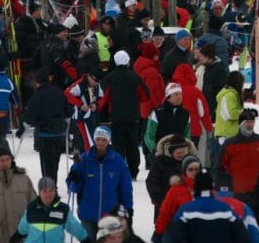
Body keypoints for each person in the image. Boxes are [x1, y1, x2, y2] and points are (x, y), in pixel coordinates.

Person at [67, 126, 133, 239]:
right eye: (98, 139)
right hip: (88, 214)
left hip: (111, 215)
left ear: (108, 141)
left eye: (104, 140)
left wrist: (128, 209)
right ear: (94, 139)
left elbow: (125, 188)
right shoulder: (84, 159)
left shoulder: (118, 161)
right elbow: (74, 188)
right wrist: (74, 173)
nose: (100, 142)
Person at [162, 170, 251, 243]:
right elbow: (242, 236)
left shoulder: (186, 209)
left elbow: (172, 237)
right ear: (212, 186)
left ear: (196, 187)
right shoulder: (226, 209)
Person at [218, 108, 259, 222]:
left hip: (257, 191)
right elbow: (219, 166)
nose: (250, 125)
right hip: (237, 191)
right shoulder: (229, 144)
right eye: (247, 122)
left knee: (256, 222)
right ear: (240, 124)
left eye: (252, 122)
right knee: (238, 222)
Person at [101, 50, 150, 179]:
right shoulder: (135, 77)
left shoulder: (109, 78)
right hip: (133, 117)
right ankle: (133, 171)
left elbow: (104, 96)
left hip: (116, 117)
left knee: (118, 145)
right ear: (128, 61)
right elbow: (145, 96)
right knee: (132, 145)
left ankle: (118, 170)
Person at [21, 69, 71, 183]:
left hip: (45, 134)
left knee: (47, 164)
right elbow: (68, 112)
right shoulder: (59, 92)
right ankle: (53, 185)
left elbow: (30, 116)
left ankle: (49, 188)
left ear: (37, 81)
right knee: (55, 162)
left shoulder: (38, 95)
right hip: (59, 132)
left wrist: (22, 130)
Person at [146, 134, 197, 218]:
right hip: (164, 203)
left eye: (184, 152)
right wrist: (157, 198)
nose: (182, 155)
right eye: (178, 153)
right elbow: (151, 181)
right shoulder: (160, 162)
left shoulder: (191, 162)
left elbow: (200, 180)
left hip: (187, 205)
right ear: (171, 152)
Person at [152, 154, 202, 240]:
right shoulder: (176, 190)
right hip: (181, 232)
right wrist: (158, 232)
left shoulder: (207, 188)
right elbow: (166, 213)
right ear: (184, 171)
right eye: (190, 169)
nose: (194, 172)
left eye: (197, 169)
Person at [171, 63, 213, 146]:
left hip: (174, 131)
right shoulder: (196, 91)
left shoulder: (171, 91)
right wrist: (209, 128)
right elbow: (203, 112)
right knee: (191, 157)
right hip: (193, 130)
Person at [145, 82, 191, 151]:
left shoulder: (186, 114)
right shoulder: (157, 112)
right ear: (168, 97)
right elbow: (149, 136)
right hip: (158, 154)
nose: (179, 96)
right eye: (176, 94)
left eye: (180, 94)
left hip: (178, 155)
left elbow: (187, 136)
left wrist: (185, 151)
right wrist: (156, 152)